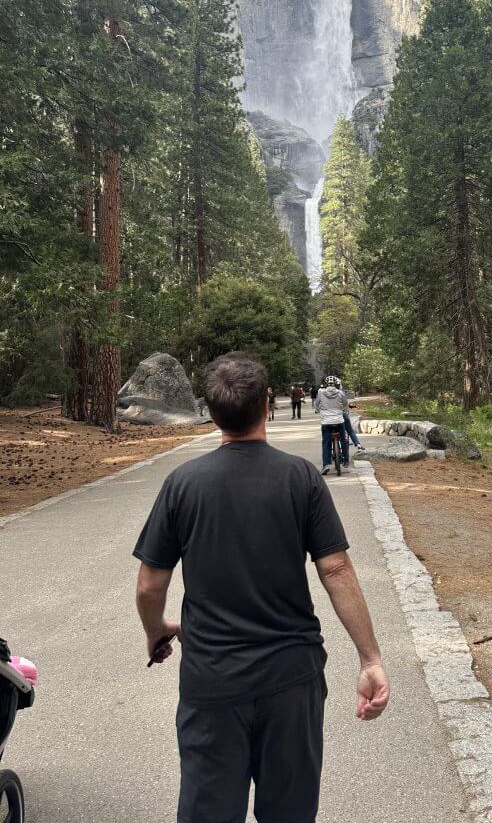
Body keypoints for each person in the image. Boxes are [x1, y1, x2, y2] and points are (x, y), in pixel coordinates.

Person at [134, 352, 390, 823]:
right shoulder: (300, 479)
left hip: (212, 683)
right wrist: (369, 658)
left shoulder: (182, 484)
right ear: (266, 404)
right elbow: (335, 571)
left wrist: (157, 629)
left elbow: (151, 583)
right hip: (291, 680)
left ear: (212, 413)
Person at [316, 375, 350, 474]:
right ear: (335, 383)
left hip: (326, 422)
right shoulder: (340, 393)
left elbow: (316, 404)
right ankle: (346, 460)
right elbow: (345, 404)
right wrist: (342, 410)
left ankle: (326, 464)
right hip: (339, 420)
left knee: (326, 443)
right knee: (343, 440)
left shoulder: (321, 393)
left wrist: (319, 410)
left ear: (326, 384)